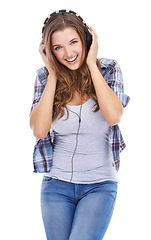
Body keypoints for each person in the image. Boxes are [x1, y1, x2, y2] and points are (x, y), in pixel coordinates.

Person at [29, 9, 130, 240]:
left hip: (99, 185)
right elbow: (39, 130)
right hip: (56, 187)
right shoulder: (44, 77)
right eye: (58, 47)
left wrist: (92, 64)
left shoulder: (108, 70)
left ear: (86, 39)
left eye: (74, 42)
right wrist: (53, 74)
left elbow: (114, 116)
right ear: (49, 51)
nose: (68, 53)